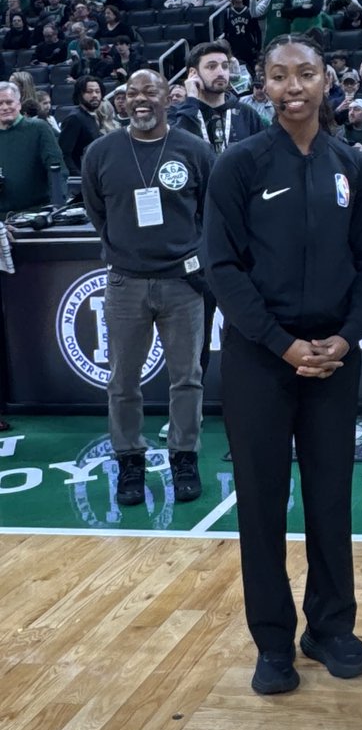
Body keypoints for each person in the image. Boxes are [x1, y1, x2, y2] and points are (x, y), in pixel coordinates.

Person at [204, 34, 362, 696]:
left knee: (331, 498)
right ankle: (273, 642)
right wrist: (280, 343)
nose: (293, 87)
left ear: (326, 80)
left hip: (334, 357)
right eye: (279, 76)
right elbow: (221, 267)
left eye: (305, 74)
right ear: (264, 86)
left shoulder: (353, 166)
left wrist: (347, 337)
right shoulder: (240, 164)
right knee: (261, 503)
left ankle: (330, 628)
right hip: (259, 359)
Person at [81, 68, 212, 507]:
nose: (140, 99)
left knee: (187, 378)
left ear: (168, 97)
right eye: (132, 92)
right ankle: (129, 461)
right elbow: (97, 211)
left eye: (149, 91)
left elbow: (210, 212)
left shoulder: (194, 150)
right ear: (123, 101)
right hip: (125, 282)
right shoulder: (101, 153)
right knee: (122, 381)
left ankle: (184, 458)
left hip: (183, 282)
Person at [168, 42, 264, 154]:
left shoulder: (247, 113)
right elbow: (176, 148)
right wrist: (191, 101)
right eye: (211, 67)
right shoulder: (175, 113)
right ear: (193, 73)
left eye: (225, 66)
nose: (221, 72)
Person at [0, 81, 66, 215]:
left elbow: (56, 168)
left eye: (9, 102)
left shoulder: (39, 128)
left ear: (19, 104)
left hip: (35, 215)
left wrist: (57, 206)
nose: (5, 107)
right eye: (0, 104)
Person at [58, 77, 104, 175]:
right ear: (80, 95)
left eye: (97, 91)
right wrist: (79, 177)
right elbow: (64, 154)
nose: (95, 95)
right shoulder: (74, 118)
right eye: (89, 92)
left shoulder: (91, 116)